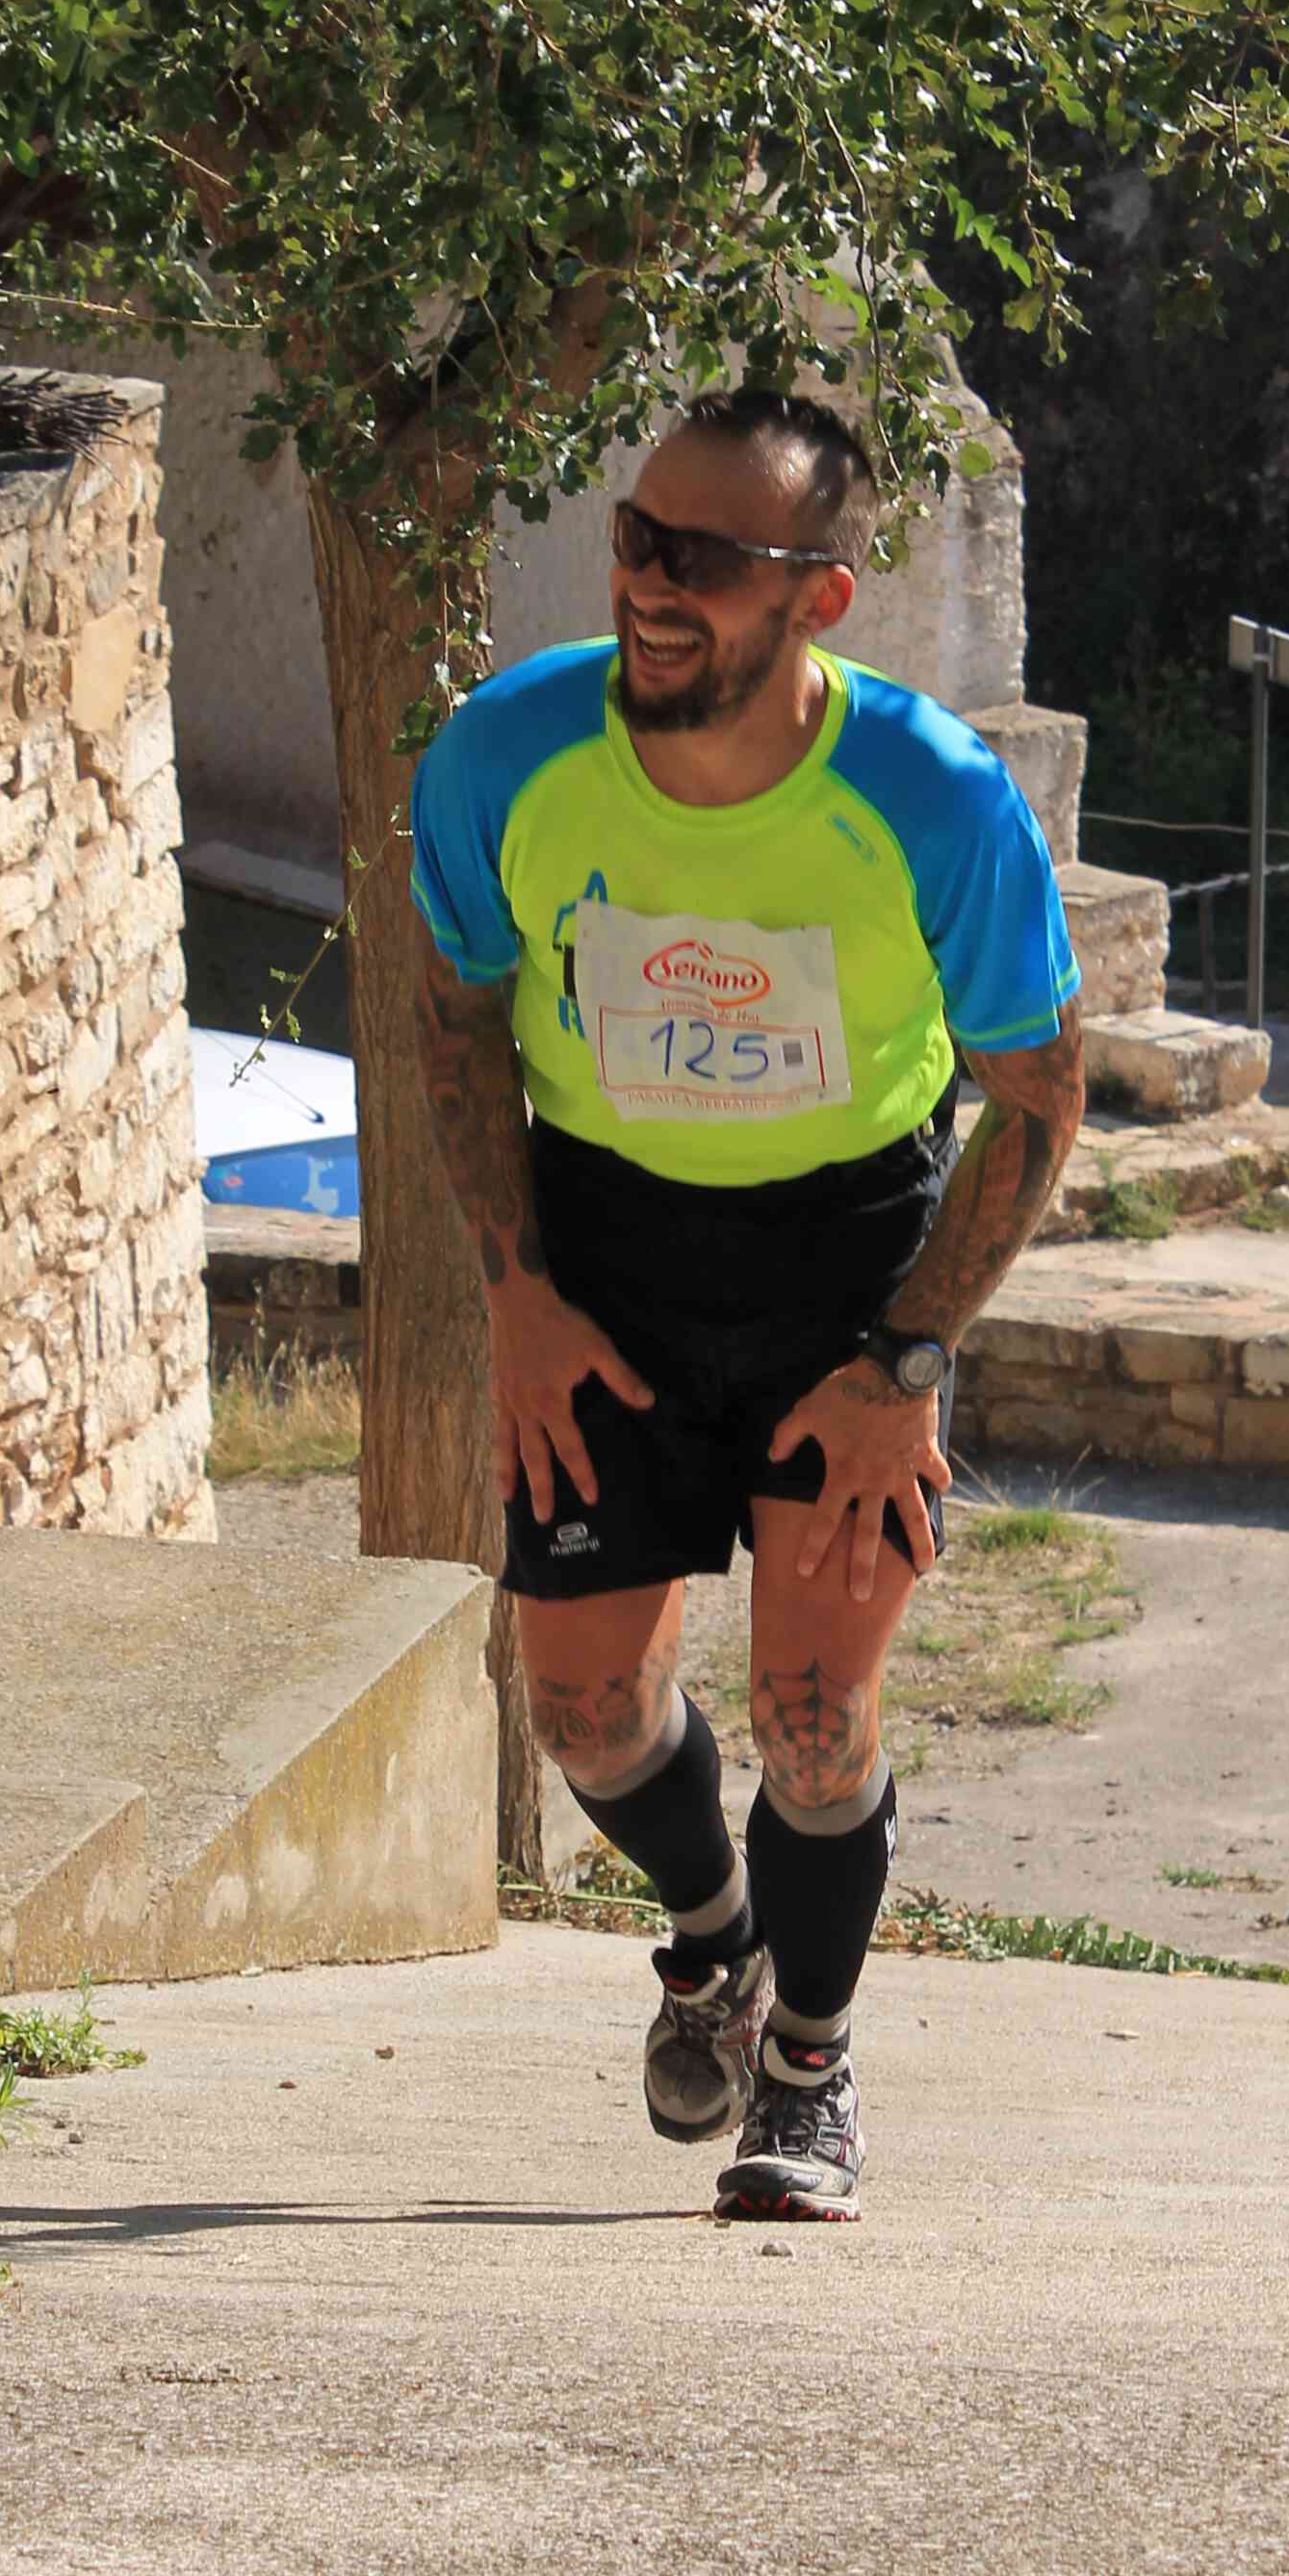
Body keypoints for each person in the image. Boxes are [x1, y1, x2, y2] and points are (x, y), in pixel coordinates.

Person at [407, 391, 1084, 2225]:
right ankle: (714, 1939)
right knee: (582, 1713)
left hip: (843, 1266)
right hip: (601, 1254)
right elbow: (458, 1017)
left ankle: (809, 2065)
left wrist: (906, 1358)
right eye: (635, 536)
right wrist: (517, 1295)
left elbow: (1036, 1096)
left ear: (819, 595)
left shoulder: (931, 793)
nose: (647, 582)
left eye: (701, 557)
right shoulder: (503, 752)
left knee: (810, 1710)